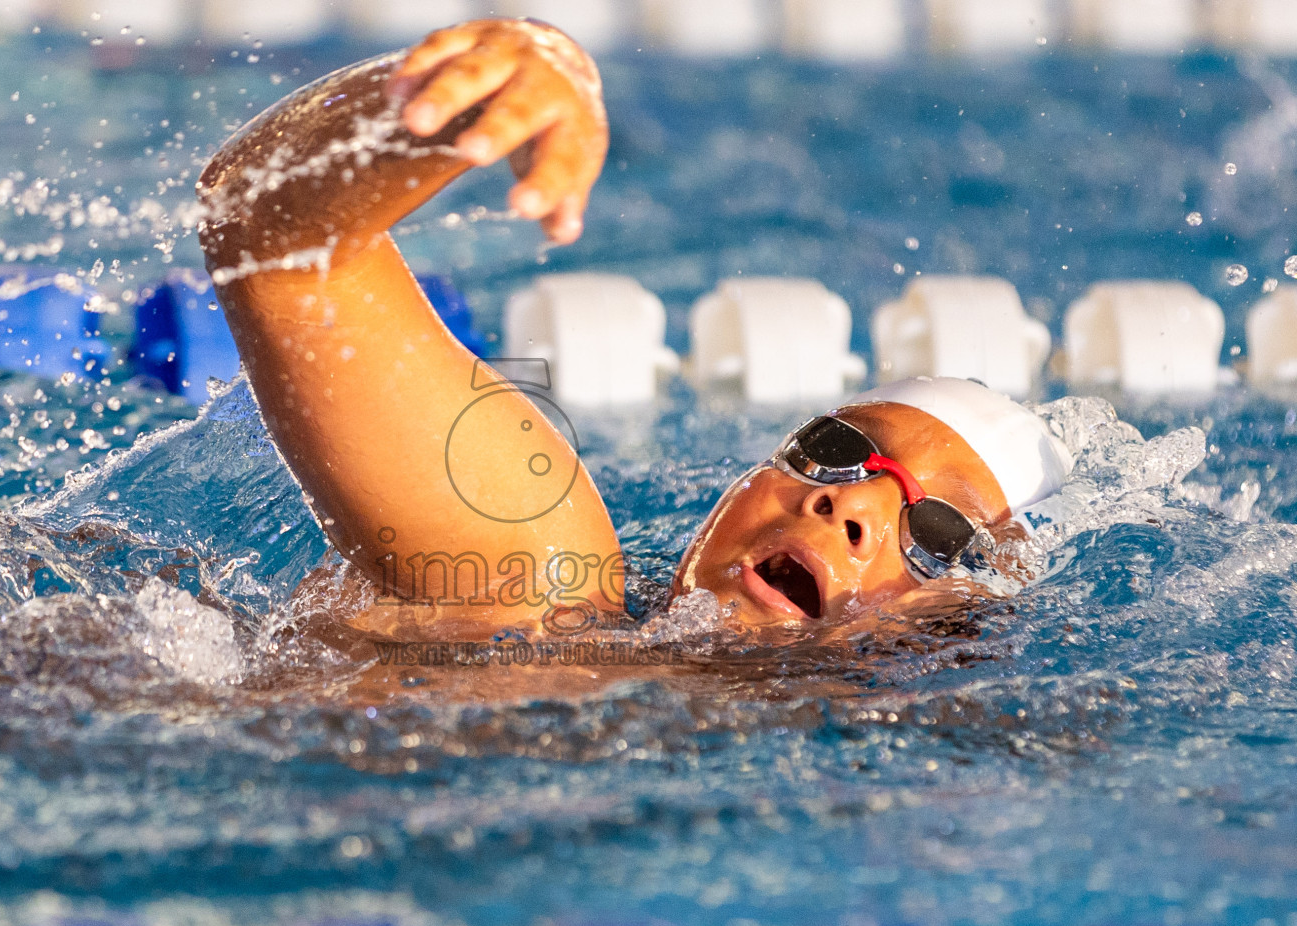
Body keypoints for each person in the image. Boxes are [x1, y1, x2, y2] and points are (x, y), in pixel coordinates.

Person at [196, 18, 1072, 641]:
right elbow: (272, 240)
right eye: (836, 445)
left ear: (965, 621)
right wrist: (489, 87)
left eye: (941, 535)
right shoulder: (537, 586)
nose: (845, 502)